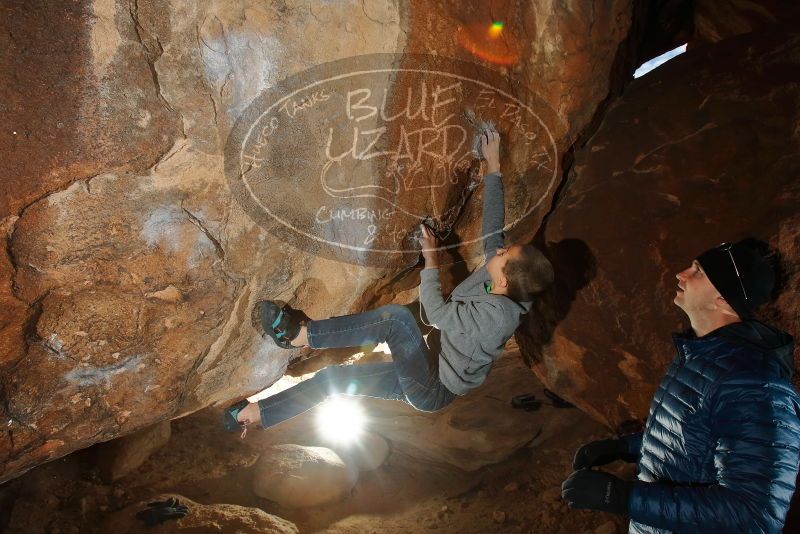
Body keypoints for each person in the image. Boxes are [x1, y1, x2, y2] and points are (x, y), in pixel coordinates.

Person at [222, 130, 555, 436]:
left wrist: (432, 260)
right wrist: (493, 164)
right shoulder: (509, 283)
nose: (500, 248)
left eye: (505, 253)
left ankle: (300, 336)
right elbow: (493, 227)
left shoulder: (492, 319)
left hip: (433, 385)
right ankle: (253, 415)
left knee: (397, 321)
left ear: (502, 279)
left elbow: (438, 314)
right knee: (333, 381)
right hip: (432, 364)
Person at [561, 240, 800, 532]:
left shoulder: (754, 385)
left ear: (723, 300)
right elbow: (693, 438)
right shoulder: (701, 355)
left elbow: (753, 514)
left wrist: (624, 498)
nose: (681, 275)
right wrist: (624, 447)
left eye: (697, 271)